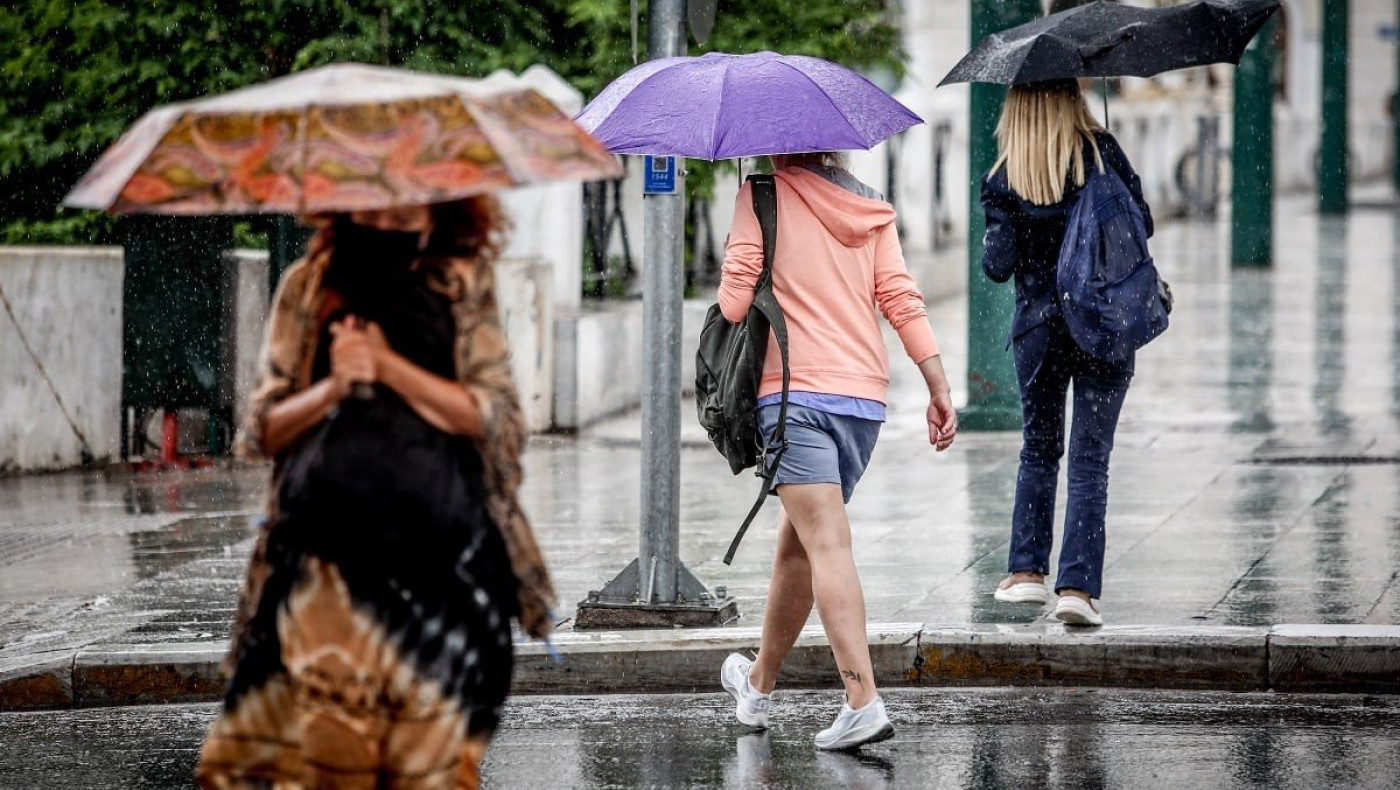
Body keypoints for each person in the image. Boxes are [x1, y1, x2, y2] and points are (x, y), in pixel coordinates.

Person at [196, 199, 555, 790]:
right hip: (325, 575)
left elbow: (496, 419)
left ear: (438, 209)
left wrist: (389, 367)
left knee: (430, 769)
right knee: (326, 761)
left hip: (444, 569)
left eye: (405, 217)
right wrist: (336, 385)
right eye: (375, 216)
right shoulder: (309, 286)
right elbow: (261, 430)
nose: (388, 227)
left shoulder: (462, 283)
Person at [717, 153, 956, 750]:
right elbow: (900, 298)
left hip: (794, 393)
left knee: (826, 542)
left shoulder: (761, 195)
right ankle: (758, 685)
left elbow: (734, 306)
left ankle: (862, 700)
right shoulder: (870, 206)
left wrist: (747, 248)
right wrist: (938, 385)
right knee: (797, 547)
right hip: (862, 403)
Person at [981, 79, 1152, 626]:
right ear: (1073, 98)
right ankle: (1077, 588)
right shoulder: (1101, 155)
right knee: (1089, 461)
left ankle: (1027, 573)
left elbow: (997, 265)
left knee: (1039, 448)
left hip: (1039, 330)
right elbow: (1142, 225)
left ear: (1017, 109)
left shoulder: (1005, 176)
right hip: (1102, 325)